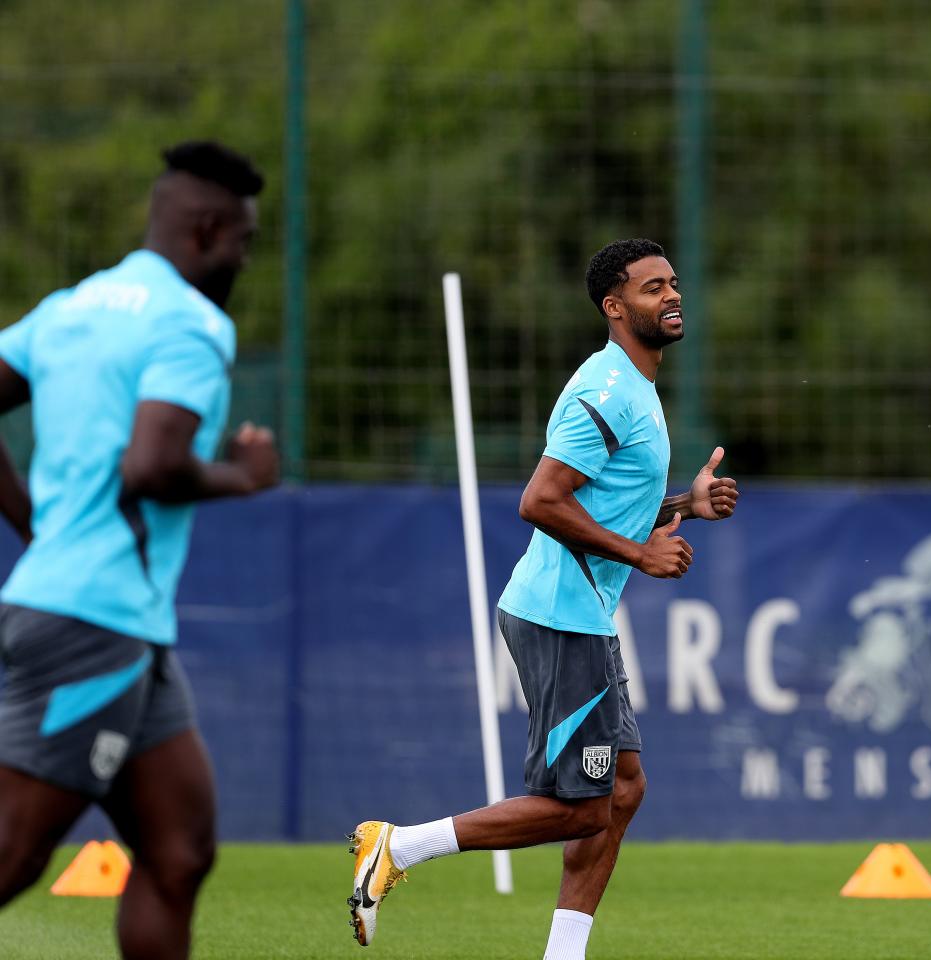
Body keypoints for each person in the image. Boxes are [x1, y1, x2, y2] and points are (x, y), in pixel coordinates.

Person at [348, 238, 739, 956]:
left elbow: (603, 507)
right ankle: (399, 847)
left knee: (622, 792)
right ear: (615, 308)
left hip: (579, 614)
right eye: (653, 289)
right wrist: (640, 555)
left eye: (674, 282)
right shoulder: (607, 390)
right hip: (559, 614)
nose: (673, 295)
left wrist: (685, 502)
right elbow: (541, 501)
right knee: (583, 810)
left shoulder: (638, 389)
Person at [0, 141, 279, 960]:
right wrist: (245, 477)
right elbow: (152, 467)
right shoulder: (191, 323)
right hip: (93, 623)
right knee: (14, 854)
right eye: (243, 241)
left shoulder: (68, 307)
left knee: (179, 850)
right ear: (204, 230)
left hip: (109, 621)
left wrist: (36, 528)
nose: (243, 258)